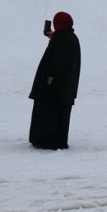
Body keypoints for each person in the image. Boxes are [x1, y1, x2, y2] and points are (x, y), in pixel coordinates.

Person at [28, 11, 81, 150]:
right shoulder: (70, 37)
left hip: (55, 86)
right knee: (60, 113)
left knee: (49, 111)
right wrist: (53, 36)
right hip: (65, 86)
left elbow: (59, 59)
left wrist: (51, 75)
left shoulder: (62, 38)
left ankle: (46, 141)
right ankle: (57, 140)